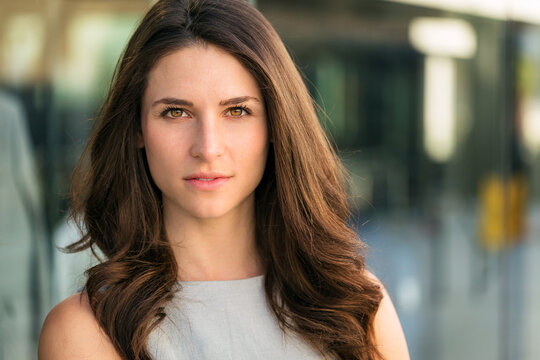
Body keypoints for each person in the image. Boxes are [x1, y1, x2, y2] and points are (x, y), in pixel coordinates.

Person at [38, 0, 409, 359]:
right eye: (176, 112)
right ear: (137, 127)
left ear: (275, 125)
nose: (208, 147)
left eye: (237, 110)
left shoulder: (356, 308)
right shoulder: (85, 331)